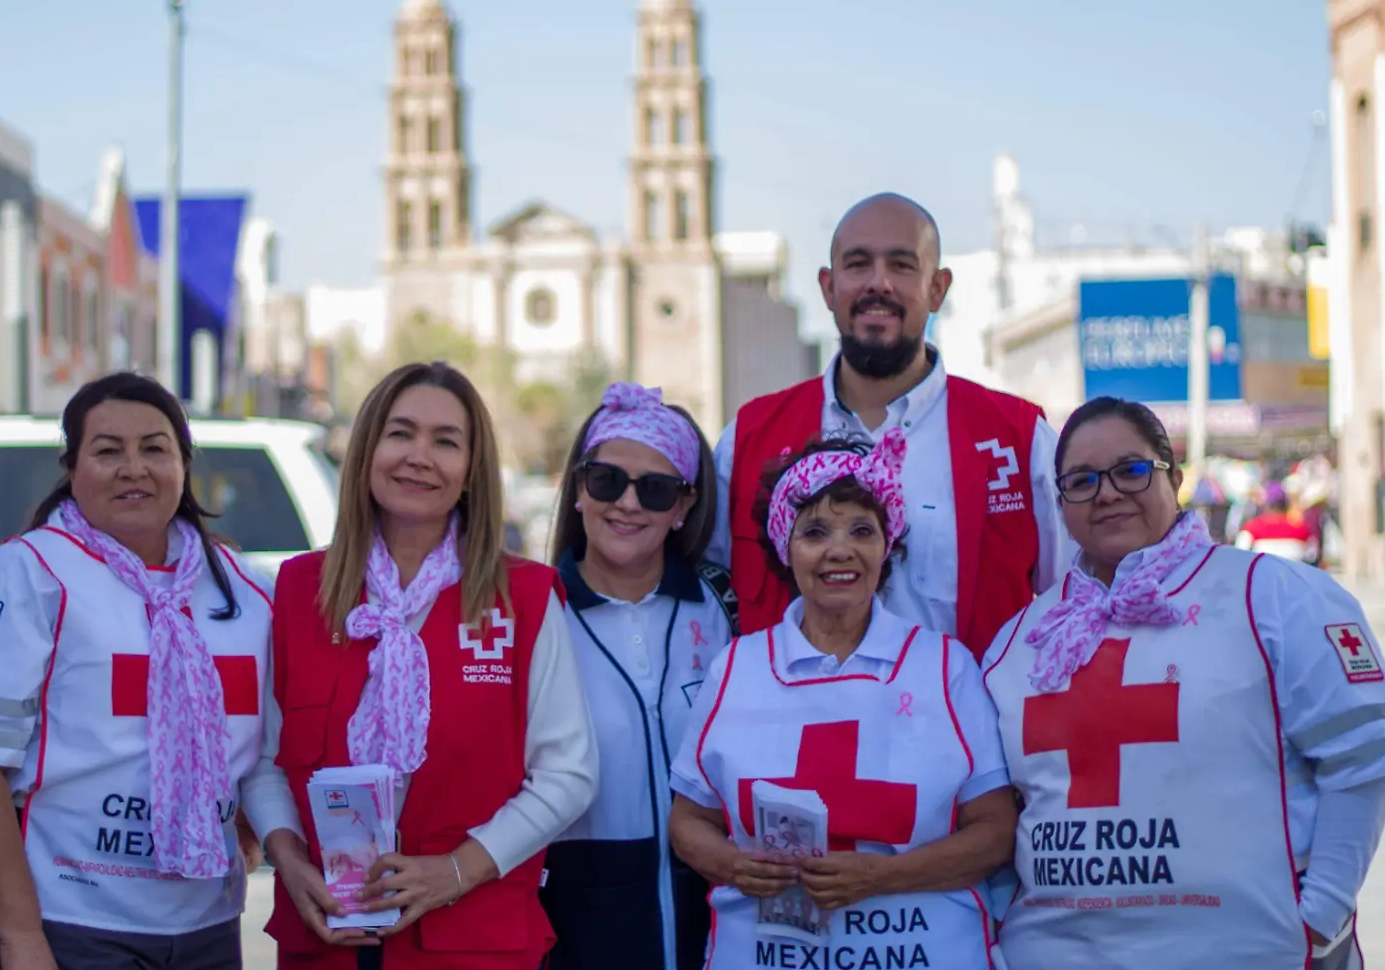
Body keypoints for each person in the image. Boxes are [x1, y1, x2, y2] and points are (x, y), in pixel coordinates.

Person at [983, 397, 1385, 969]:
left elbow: (1362, 766)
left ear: (1175, 476)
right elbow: (993, 817)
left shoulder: (1277, 596)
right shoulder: (1019, 641)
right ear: (1060, 499)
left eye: (1131, 470)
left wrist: (1319, 919)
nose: (1108, 492)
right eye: (1083, 480)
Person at [253, 361, 598, 970]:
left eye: (446, 442)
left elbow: (568, 773)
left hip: (471, 942)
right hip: (325, 941)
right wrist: (288, 859)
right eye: (400, 433)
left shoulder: (524, 597)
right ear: (366, 452)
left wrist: (456, 871)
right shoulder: (299, 589)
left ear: (470, 471)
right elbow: (264, 761)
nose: (420, 456)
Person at [0, 372, 274, 970]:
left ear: (184, 464)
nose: (133, 468)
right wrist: (20, 936)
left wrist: (248, 836)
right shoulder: (17, 577)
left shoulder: (247, 592)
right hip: (67, 927)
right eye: (108, 450)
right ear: (72, 466)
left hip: (207, 931)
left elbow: (264, 759)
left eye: (155, 449)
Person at [670, 430, 1016, 970]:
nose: (840, 549)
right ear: (786, 547)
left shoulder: (946, 668)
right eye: (814, 531)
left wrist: (883, 877)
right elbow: (689, 819)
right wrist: (735, 866)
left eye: (862, 529)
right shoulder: (736, 669)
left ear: (888, 545)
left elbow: (995, 832)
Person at [707, 192, 1069, 659]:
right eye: (858, 264)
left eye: (901, 265)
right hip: (795, 731)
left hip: (963, 731)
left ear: (938, 288)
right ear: (828, 287)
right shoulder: (749, 441)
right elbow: (706, 609)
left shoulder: (1017, 440)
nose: (879, 283)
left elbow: (1077, 600)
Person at [540, 383, 732, 970]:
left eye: (655, 489)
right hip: (577, 931)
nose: (627, 503)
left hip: (716, 925)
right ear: (578, 489)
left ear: (683, 507)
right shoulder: (535, 615)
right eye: (606, 480)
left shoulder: (724, 612)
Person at [1236, 483, 1316, 564]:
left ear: (1266, 505)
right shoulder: (1302, 529)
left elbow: (1240, 554)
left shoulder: (1251, 528)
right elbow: (1312, 555)